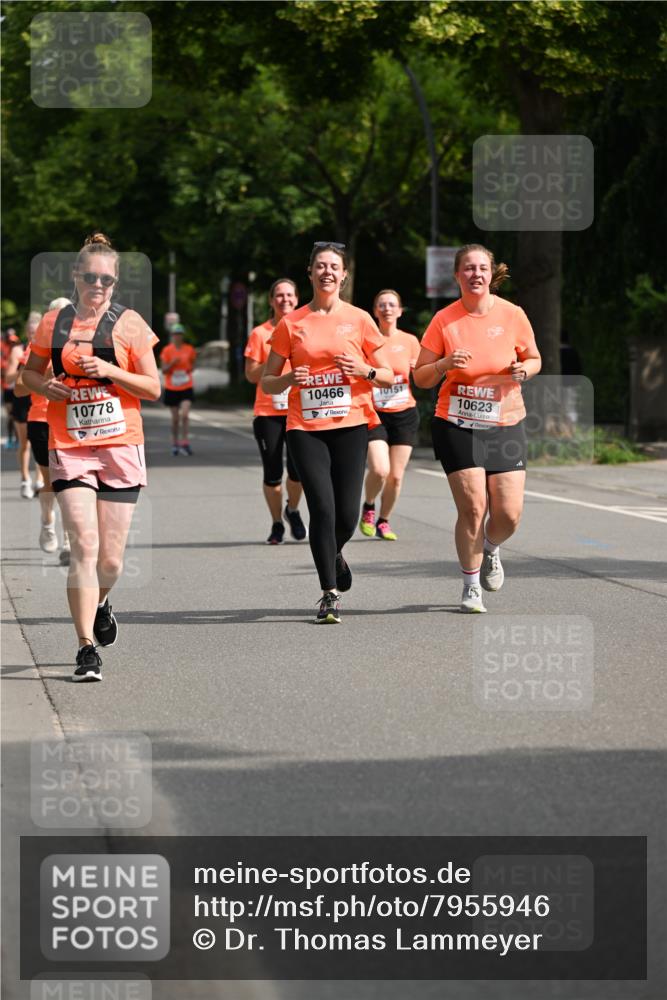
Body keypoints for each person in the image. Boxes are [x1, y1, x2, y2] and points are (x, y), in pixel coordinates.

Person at [23, 233, 161, 681]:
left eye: (107, 279)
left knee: (111, 561)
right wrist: (47, 386)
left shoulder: (131, 324)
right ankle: (86, 647)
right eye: (90, 277)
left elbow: (154, 388)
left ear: (115, 283)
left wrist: (110, 371)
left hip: (121, 445)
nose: (98, 284)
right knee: (83, 545)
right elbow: (28, 375)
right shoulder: (55, 321)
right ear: (76, 277)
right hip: (71, 444)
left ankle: (102, 601)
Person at [261, 242, 394, 623]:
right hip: (305, 426)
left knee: (347, 515)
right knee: (321, 505)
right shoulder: (293, 323)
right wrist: (288, 376)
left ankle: (333, 552)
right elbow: (268, 382)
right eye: (320, 266)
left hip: (351, 424)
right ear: (310, 272)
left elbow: (387, 375)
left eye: (334, 266)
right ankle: (329, 593)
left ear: (344, 274)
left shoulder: (360, 319)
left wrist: (363, 369)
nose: (327, 272)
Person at [414, 243, 541, 613]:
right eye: (468, 269)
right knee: (473, 506)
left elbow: (533, 358)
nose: (475, 274)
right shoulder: (444, 320)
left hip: (505, 421)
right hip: (456, 422)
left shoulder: (512, 314)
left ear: (491, 273)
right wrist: (444, 364)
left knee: (509, 514)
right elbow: (420, 377)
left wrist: (524, 370)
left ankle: (490, 547)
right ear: (457, 276)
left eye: (481, 268)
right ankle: (471, 585)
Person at [244, 278, 307, 544]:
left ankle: (291, 508)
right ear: (271, 301)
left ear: (296, 298)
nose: (285, 300)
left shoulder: (306, 328)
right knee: (272, 472)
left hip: (300, 410)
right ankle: (276, 523)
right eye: (279, 295)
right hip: (269, 411)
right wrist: (275, 358)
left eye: (289, 295)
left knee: (298, 471)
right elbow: (250, 374)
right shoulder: (260, 334)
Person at [359, 289, 421, 541]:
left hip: (404, 413)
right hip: (374, 412)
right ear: (375, 311)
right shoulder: (366, 340)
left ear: (399, 310)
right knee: (380, 469)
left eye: (391, 304)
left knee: (395, 477)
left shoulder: (410, 341)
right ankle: (369, 506)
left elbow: (421, 374)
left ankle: (384, 520)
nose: (386, 308)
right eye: (381, 304)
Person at [14, 299, 72, 561]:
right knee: (51, 483)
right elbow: (17, 388)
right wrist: (43, 379)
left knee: (71, 483)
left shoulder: (81, 348)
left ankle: (70, 540)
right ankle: (48, 525)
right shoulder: (35, 350)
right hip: (41, 420)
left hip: (72, 423)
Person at [5, 313, 41, 497]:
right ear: (27, 332)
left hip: (41, 399)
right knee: (25, 442)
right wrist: (22, 369)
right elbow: (8, 377)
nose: (33, 335)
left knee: (41, 442)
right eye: (31, 332)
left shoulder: (46, 349)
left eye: (37, 332)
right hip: (22, 398)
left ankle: (40, 480)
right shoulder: (18, 350)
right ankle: (25, 479)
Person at [159, 323, 196, 455]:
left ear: (182, 336)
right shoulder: (167, 350)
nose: (177, 336)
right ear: (172, 336)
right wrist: (172, 364)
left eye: (179, 334)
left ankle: (185, 442)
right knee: (175, 418)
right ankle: (175, 442)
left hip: (186, 385)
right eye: (175, 334)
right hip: (172, 387)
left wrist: (188, 370)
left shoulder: (189, 349)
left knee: (185, 415)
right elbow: (163, 370)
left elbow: (192, 365)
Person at [2, 327, 21, 449]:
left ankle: (18, 439)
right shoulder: (3, 351)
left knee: (16, 415)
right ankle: (10, 439)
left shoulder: (19, 351)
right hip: (7, 388)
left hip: (17, 388)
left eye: (14, 342)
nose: (12, 344)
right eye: (10, 341)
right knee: (11, 415)